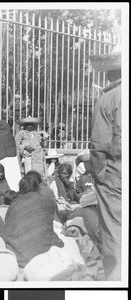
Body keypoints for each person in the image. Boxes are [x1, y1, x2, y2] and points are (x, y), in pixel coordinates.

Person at [89, 45, 122, 280]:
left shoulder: (107, 99)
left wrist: (100, 175)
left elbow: (98, 147)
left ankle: (117, 282)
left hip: (115, 175)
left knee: (114, 233)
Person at [2, 174, 64, 268]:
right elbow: (48, 224)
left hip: (21, 254)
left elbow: (8, 226)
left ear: (21, 189)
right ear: (37, 187)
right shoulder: (46, 201)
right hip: (45, 250)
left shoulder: (14, 204)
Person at [0, 119, 21, 192]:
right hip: (12, 158)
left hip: (1, 159)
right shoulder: (9, 133)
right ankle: (17, 191)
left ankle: (9, 192)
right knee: (15, 176)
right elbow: (14, 146)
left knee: (7, 177)